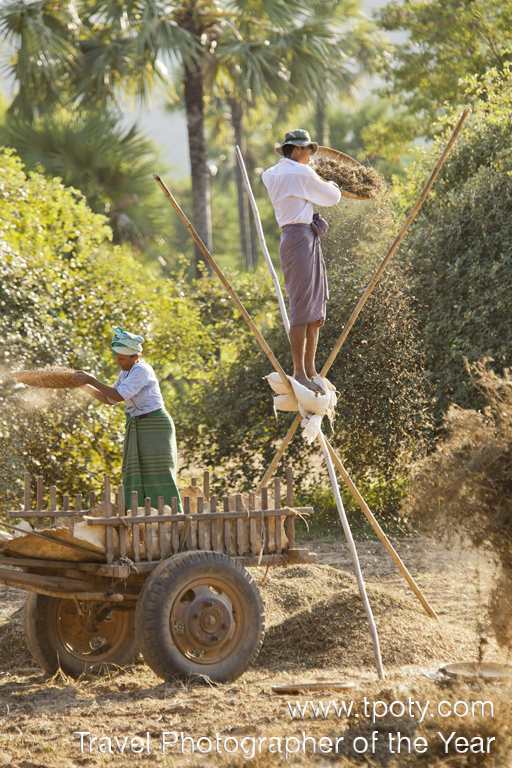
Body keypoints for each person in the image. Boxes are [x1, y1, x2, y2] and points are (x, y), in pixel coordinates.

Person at [261, 128, 342, 394]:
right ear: (296, 150)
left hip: (297, 237)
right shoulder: (299, 173)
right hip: (300, 240)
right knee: (303, 306)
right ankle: (300, 370)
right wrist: (331, 182)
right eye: (306, 150)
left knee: (313, 307)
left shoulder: (272, 174)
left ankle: (310, 369)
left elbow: (306, 194)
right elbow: (332, 197)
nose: (309, 155)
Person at [76, 327, 182, 511]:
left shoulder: (141, 370)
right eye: (117, 356)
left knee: (158, 472)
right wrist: (83, 385)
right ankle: (140, 514)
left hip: (155, 425)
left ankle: (169, 514)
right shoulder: (126, 372)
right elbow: (109, 400)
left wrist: (92, 380)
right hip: (137, 425)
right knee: (135, 471)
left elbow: (118, 396)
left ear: (135, 356)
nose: (119, 361)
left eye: (122, 358)